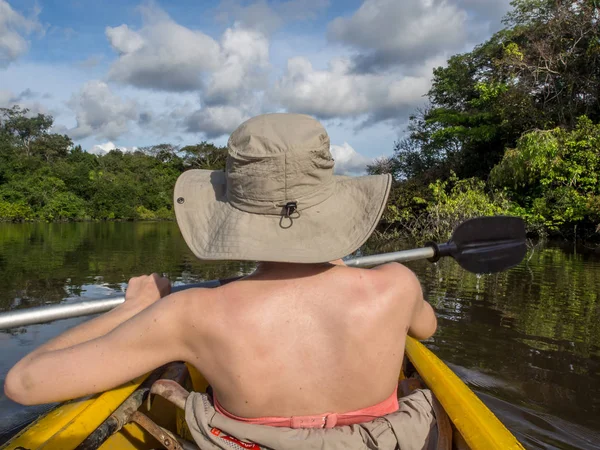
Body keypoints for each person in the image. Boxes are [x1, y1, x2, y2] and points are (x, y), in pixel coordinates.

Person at [4, 113, 438, 449]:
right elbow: (427, 327)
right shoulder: (397, 285)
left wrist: (134, 309)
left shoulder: (192, 313)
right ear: (329, 202)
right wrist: (336, 265)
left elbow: (24, 383)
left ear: (231, 210)